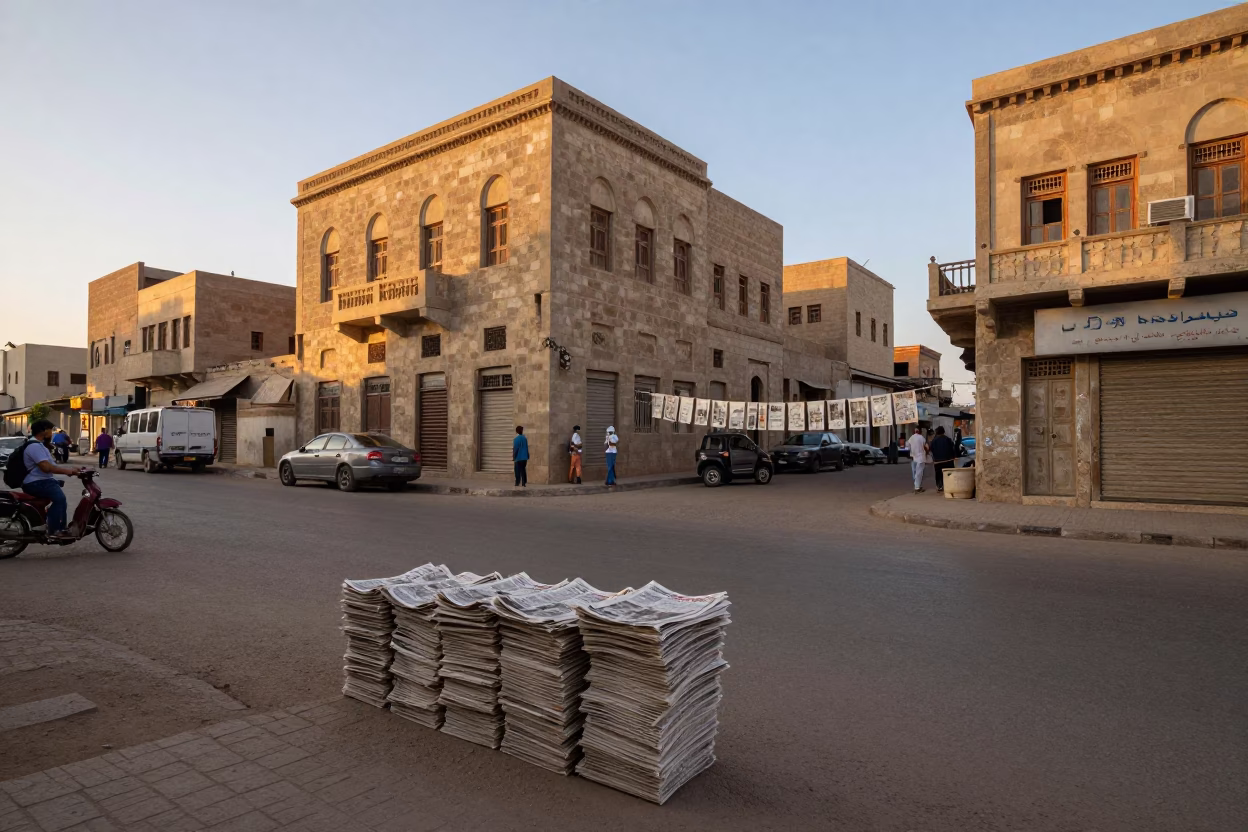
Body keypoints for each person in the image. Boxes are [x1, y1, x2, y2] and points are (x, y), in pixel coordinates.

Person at [20, 420, 89, 540]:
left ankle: (57, 526)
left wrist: (72, 469)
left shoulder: (40, 445)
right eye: (50, 430)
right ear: (43, 431)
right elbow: (47, 468)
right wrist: (68, 472)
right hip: (36, 482)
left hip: (42, 481)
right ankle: (55, 530)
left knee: (60, 497)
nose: (52, 433)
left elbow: (52, 466)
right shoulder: (34, 446)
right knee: (59, 499)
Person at [929, 426, 957, 493]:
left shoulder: (934, 440)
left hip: (938, 461)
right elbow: (953, 449)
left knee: (938, 474)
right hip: (948, 461)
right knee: (949, 474)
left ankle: (939, 486)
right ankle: (950, 486)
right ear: (944, 432)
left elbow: (931, 450)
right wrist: (954, 456)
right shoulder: (948, 439)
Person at [906, 426, 929, 493]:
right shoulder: (922, 438)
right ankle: (917, 487)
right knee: (919, 473)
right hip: (921, 458)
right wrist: (926, 454)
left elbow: (907, 446)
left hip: (914, 457)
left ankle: (916, 485)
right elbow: (927, 447)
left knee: (915, 472)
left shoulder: (911, 438)